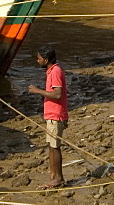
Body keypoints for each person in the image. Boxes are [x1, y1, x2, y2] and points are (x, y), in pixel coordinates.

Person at [28, 46, 67, 189]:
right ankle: (53, 176)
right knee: (51, 146)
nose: (37, 60)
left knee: (55, 147)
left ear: (46, 59)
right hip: (51, 115)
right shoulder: (51, 71)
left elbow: (57, 94)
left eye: (39, 58)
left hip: (56, 115)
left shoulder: (56, 72)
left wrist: (37, 91)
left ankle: (58, 178)